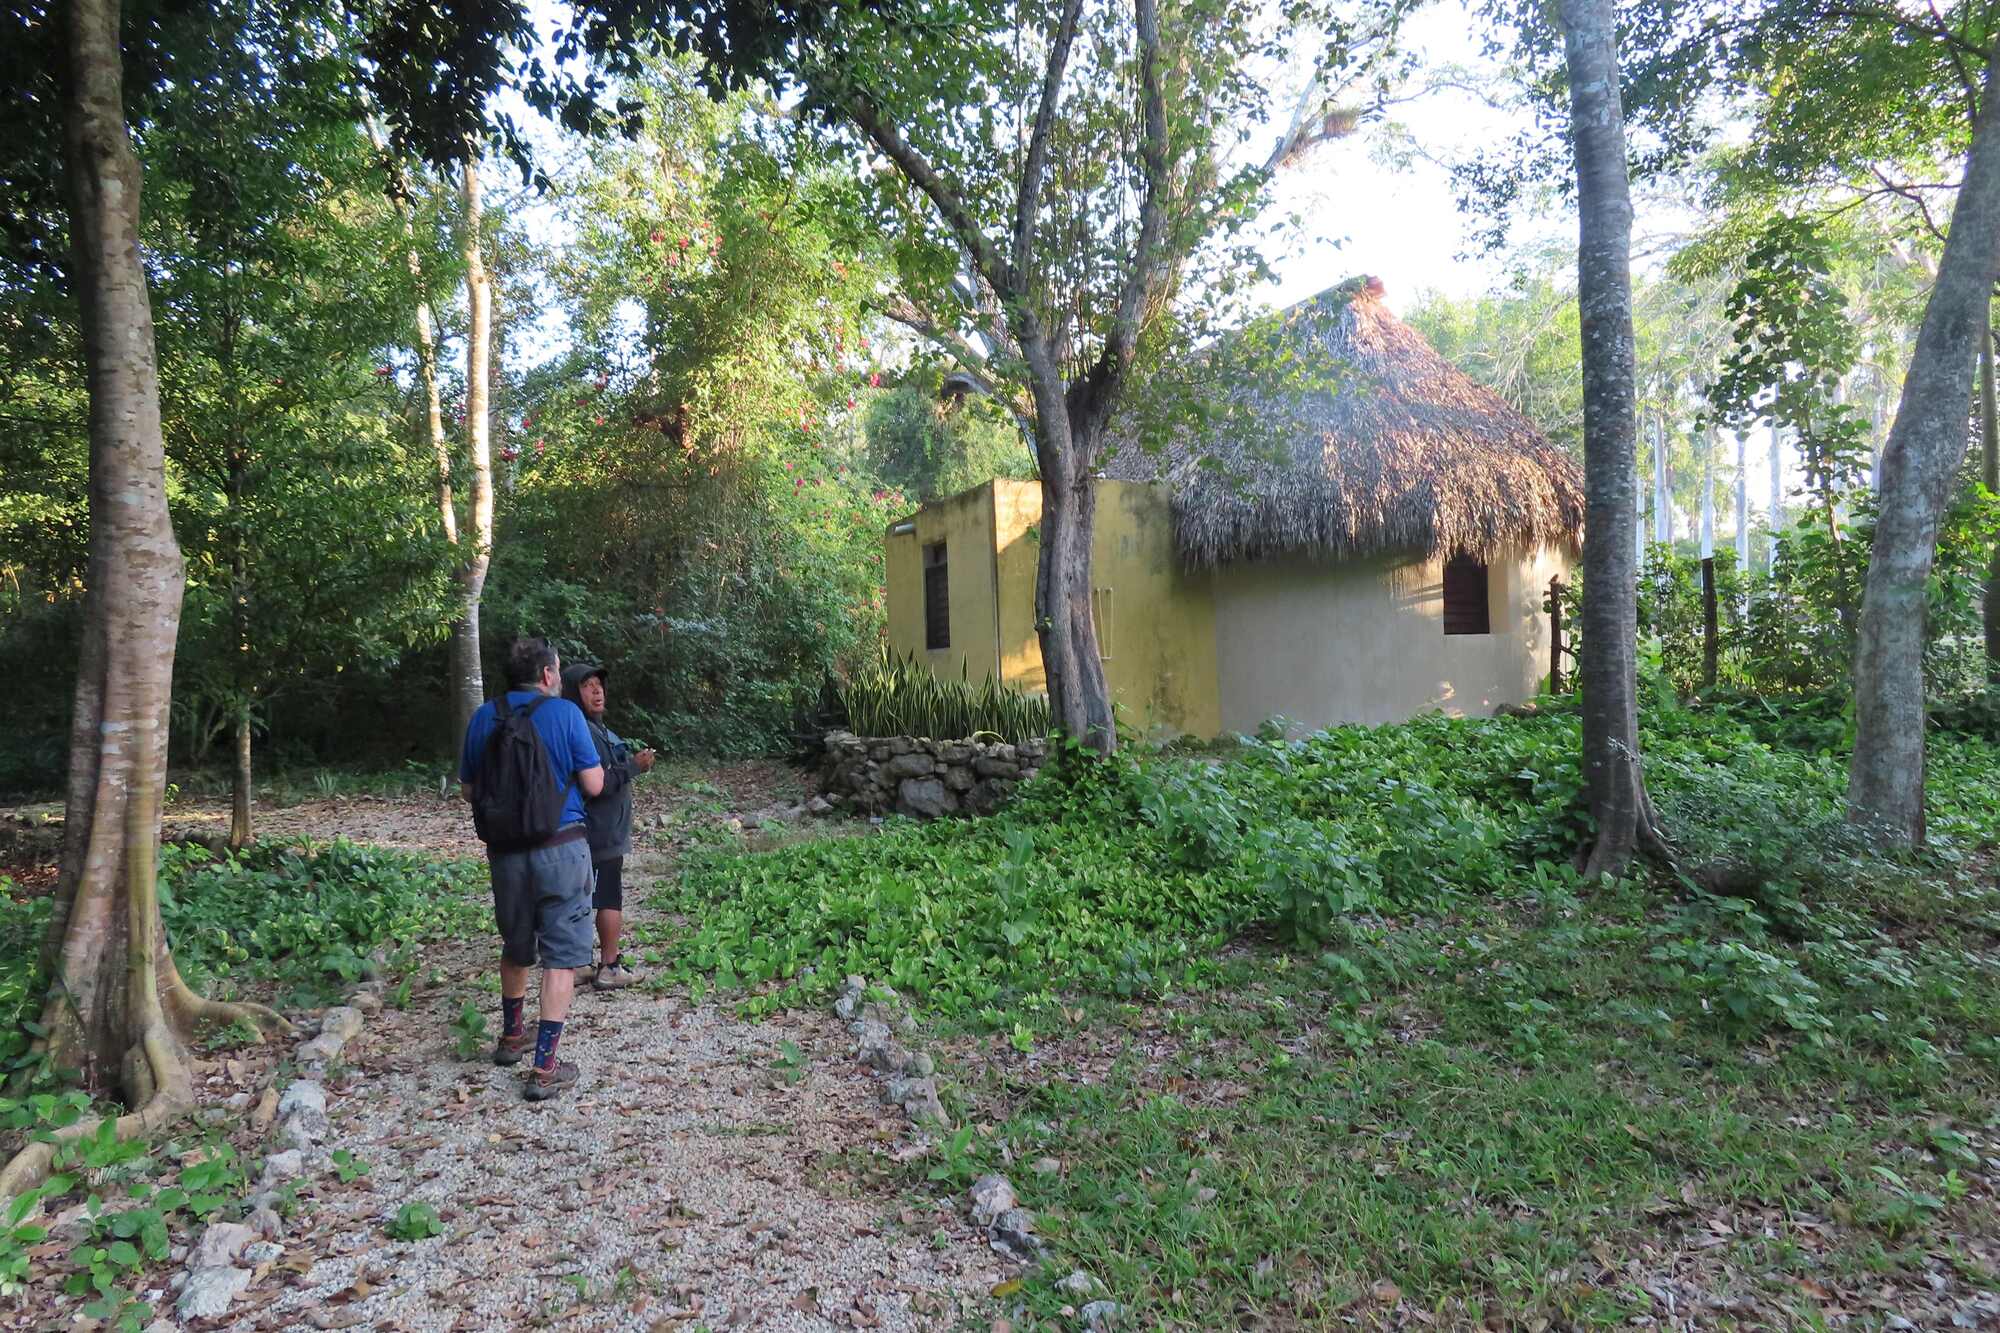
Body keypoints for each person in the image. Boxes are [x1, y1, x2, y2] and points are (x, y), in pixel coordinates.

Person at [459, 636, 604, 1102]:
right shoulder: (566, 714)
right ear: (547, 674)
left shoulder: (484, 717)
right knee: (560, 957)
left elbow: (468, 790)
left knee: (516, 944)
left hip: (506, 854)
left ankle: (511, 1035)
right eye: (558, 669)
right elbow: (594, 783)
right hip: (561, 848)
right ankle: (544, 1068)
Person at [560, 662, 656, 989]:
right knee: (608, 896)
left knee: (582, 896)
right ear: (572, 692)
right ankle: (609, 966)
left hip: (597, 828)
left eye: (599, 684)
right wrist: (634, 767)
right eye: (587, 685)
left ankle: (578, 964)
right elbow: (597, 784)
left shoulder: (593, 727)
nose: (597, 690)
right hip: (599, 829)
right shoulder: (583, 731)